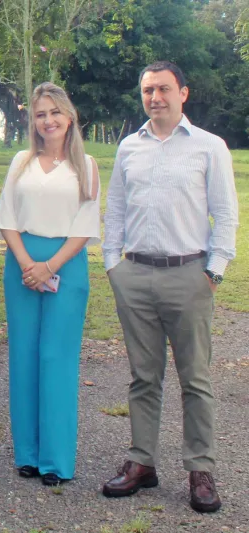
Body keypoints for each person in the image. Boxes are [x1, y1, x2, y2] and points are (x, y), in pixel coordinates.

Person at [101, 61, 239, 513]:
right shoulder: (128, 147)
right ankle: (142, 462)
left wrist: (213, 271)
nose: (154, 97)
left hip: (189, 274)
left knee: (195, 379)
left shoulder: (209, 147)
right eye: (147, 90)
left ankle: (200, 468)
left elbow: (226, 213)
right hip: (135, 275)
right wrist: (112, 265)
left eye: (163, 89)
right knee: (143, 377)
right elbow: (116, 210)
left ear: (184, 92)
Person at [0, 82, 100, 485]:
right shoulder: (21, 161)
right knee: (24, 356)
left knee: (57, 358)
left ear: (69, 117)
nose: (48, 120)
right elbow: (7, 217)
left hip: (66, 267)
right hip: (21, 264)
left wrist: (49, 266)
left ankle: (55, 461)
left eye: (54, 112)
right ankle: (28, 455)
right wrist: (27, 264)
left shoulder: (85, 166)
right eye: (40, 114)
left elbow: (86, 226)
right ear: (32, 121)